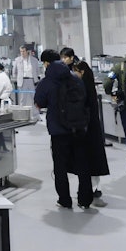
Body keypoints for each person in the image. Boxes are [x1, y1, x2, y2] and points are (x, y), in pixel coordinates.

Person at [34, 49, 94, 209]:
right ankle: (85, 199)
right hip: (79, 127)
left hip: (58, 130)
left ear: (46, 63)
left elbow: (39, 102)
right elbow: (85, 98)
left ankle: (65, 199)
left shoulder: (47, 81)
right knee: (83, 164)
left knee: (60, 166)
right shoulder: (75, 78)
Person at [71, 60, 110, 201]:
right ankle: (94, 187)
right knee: (93, 158)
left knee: (87, 159)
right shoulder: (89, 87)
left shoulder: (82, 88)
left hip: (86, 128)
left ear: (81, 72)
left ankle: (90, 188)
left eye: (76, 71)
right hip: (92, 128)